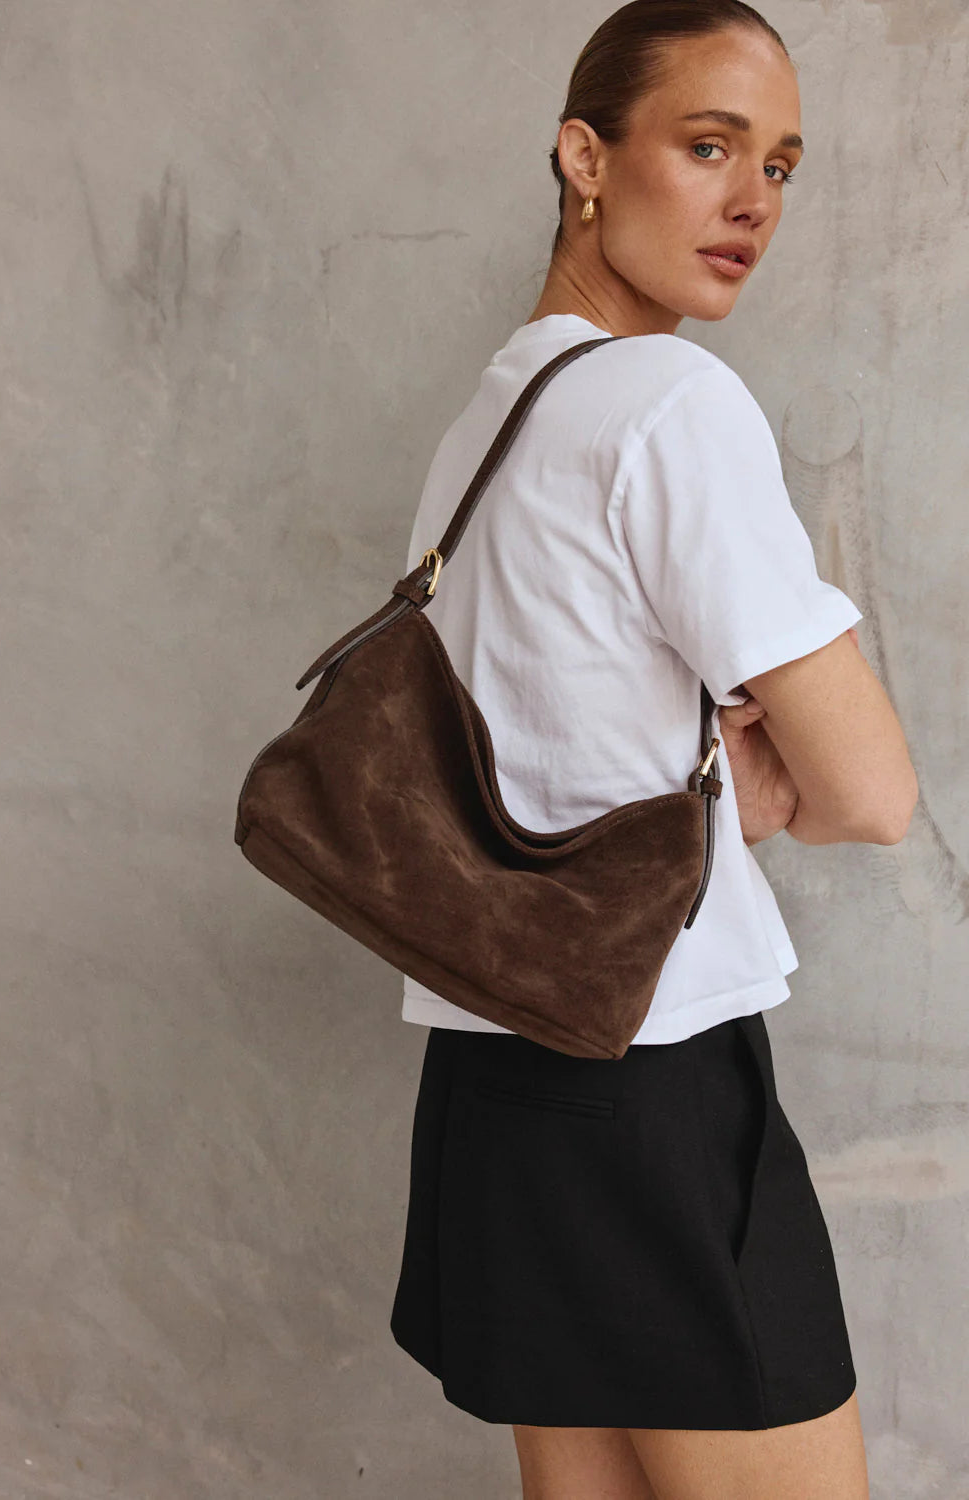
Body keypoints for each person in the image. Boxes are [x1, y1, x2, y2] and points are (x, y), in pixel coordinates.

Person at [388, 4, 918, 1497]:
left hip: (500, 1083)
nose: (755, 200)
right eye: (707, 146)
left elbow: (546, 776)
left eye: (784, 165)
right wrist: (788, 785)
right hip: (654, 1089)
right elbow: (875, 797)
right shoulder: (669, 404)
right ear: (585, 158)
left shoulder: (491, 421)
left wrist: (715, 796)